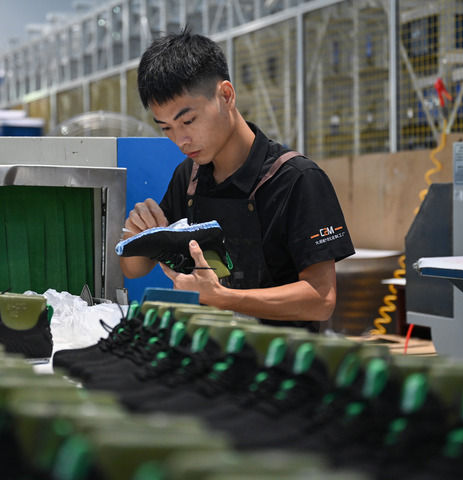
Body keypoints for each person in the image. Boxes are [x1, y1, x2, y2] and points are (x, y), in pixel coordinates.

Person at [119, 27, 354, 329]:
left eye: (188, 121)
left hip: (279, 354)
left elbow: (321, 300)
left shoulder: (297, 179)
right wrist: (136, 234)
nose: (180, 140)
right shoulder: (188, 178)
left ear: (226, 95)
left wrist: (223, 297)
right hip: (206, 349)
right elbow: (134, 269)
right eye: (166, 128)